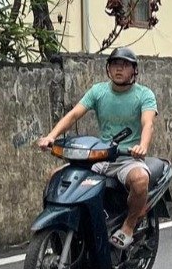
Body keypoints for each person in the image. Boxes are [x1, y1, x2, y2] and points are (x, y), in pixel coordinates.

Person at [37, 47, 162, 249]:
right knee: (55, 177)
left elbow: (148, 123)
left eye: (124, 65)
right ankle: (58, 230)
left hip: (127, 158)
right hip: (100, 158)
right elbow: (74, 114)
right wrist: (51, 136)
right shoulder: (98, 91)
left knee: (140, 180)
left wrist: (142, 146)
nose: (119, 69)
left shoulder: (144, 95)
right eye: (114, 65)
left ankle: (128, 227)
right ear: (108, 69)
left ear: (134, 70)